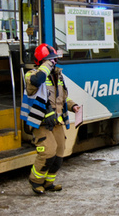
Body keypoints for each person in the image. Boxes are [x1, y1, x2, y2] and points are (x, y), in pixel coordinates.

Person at [21, 44, 81, 195]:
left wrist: (73, 106)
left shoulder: (57, 77)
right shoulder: (31, 75)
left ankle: (48, 182)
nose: (54, 63)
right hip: (40, 122)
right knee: (48, 152)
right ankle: (35, 181)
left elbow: (61, 99)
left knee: (60, 153)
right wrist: (46, 64)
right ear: (43, 62)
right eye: (51, 60)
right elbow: (37, 81)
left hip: (56, 121)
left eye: (54, 60)